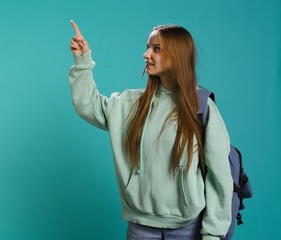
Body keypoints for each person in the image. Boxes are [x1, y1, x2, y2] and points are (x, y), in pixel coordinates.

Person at [68, 20, 233, 240]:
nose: (146, 55)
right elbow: (89, 106)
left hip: (188, 227)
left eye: (156, 49)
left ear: (177, 55)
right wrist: (82, 61)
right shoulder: (130, 103)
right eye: (147, 47)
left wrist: (213, 234)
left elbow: (220, 174)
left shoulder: (200, 106)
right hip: (140, 226)